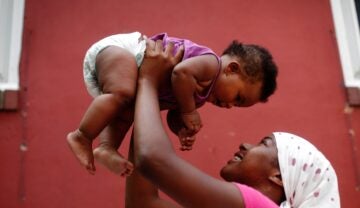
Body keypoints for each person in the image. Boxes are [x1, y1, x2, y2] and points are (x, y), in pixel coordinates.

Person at [125, 39, 341, 208]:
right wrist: (150, 98)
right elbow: (141, 202)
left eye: (263, 144)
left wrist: (148, 81)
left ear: (279, 176)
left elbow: (153, 159)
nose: (245, 144)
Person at [66, 31, 278, 176]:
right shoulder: (211, 64)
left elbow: (172, 114)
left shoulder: (198, 96)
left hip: (128, 77)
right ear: (231, 69)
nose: (231, 106)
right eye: (238, 98)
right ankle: (81, 135)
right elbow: (181, 73)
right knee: (122, 93)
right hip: (124, 52)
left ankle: (106, 147)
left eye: (238, 106)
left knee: (127, 109)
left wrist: (181, 128)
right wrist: (189, 110)